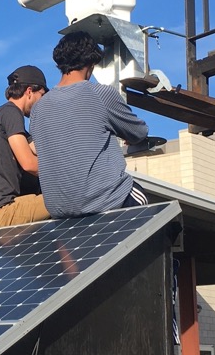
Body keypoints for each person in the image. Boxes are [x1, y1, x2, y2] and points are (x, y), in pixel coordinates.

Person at [29, 31, 150, 217]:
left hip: (59, 210)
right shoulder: (100, 94)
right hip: (105, 201)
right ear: (91, 63)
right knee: (147, 202)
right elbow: (139, 132)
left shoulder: (38, 108)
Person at [0, 65, 51, 230]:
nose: (42, 102)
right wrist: (64, 176)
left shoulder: (4, 115)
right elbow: (29, 163)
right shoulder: (11, 113)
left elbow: (37, 147)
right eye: (42, 95)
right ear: (29, 91)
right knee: (67, 197)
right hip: (1, 211)